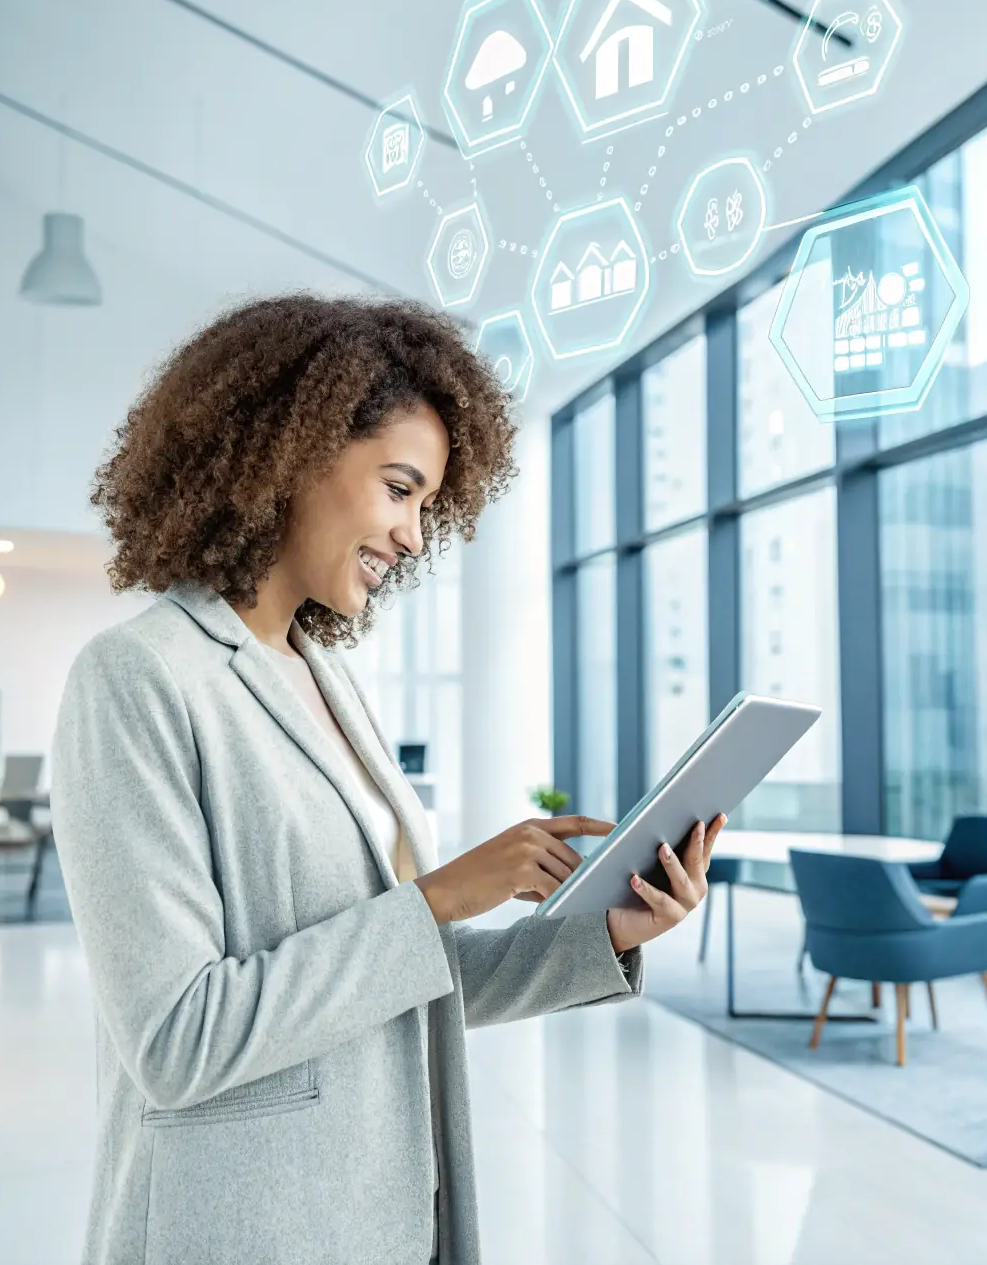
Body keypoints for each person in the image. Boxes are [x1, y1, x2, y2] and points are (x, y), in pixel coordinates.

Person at [50, 295, 725, 1265]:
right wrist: (441, 895)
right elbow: (176, 1039)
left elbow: (399, 978)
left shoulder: (325, 678)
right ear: (289, 452)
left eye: (426, 505)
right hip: (247, 1227)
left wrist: (607, 930)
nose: (414, 537)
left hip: (386, 1207)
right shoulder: (140, 677)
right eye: (400, 489)